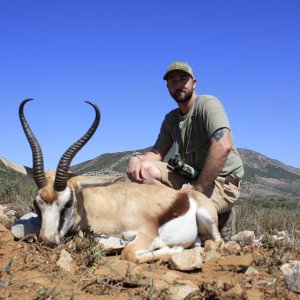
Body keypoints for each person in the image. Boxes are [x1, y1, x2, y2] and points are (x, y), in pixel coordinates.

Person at [126, 61, 244, 240]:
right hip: (191, 178)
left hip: (220, 182)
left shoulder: (208, 104)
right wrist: (136, 159)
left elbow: (223, 145)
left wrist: (197, 188)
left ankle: (217, 216)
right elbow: (157, 154)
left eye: (183, 79)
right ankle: (182, 212)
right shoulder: (171, 119)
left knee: (183, 221)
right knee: (145, 170)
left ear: (194, 83)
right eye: (173, 81)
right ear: (167, 87)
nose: (178, 84)